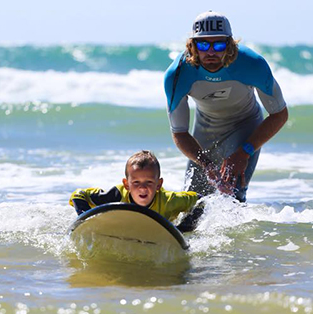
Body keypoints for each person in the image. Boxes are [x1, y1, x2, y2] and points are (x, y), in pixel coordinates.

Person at [164, 10, 288, 202]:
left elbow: (280, 114)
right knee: (193, 202)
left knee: (232, 197)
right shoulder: (177, 74)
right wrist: (205, 164)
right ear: (192, 45)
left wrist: (245, 151)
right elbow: (179, 132)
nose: (211, 52)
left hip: (244, 126)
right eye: (203, 44)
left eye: (219, 44)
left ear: (230, 45)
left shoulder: (252, 64)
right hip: (204, 131)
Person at [69, 150, 200, 227]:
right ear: (127, 184)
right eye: (136, 182)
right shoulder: (117, 195)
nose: (142, 187)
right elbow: (78, 194)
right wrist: (84, 220)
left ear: (158, 184)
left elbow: (201, 200)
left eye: (149, 182)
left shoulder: (169, 200)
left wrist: (184, 227)